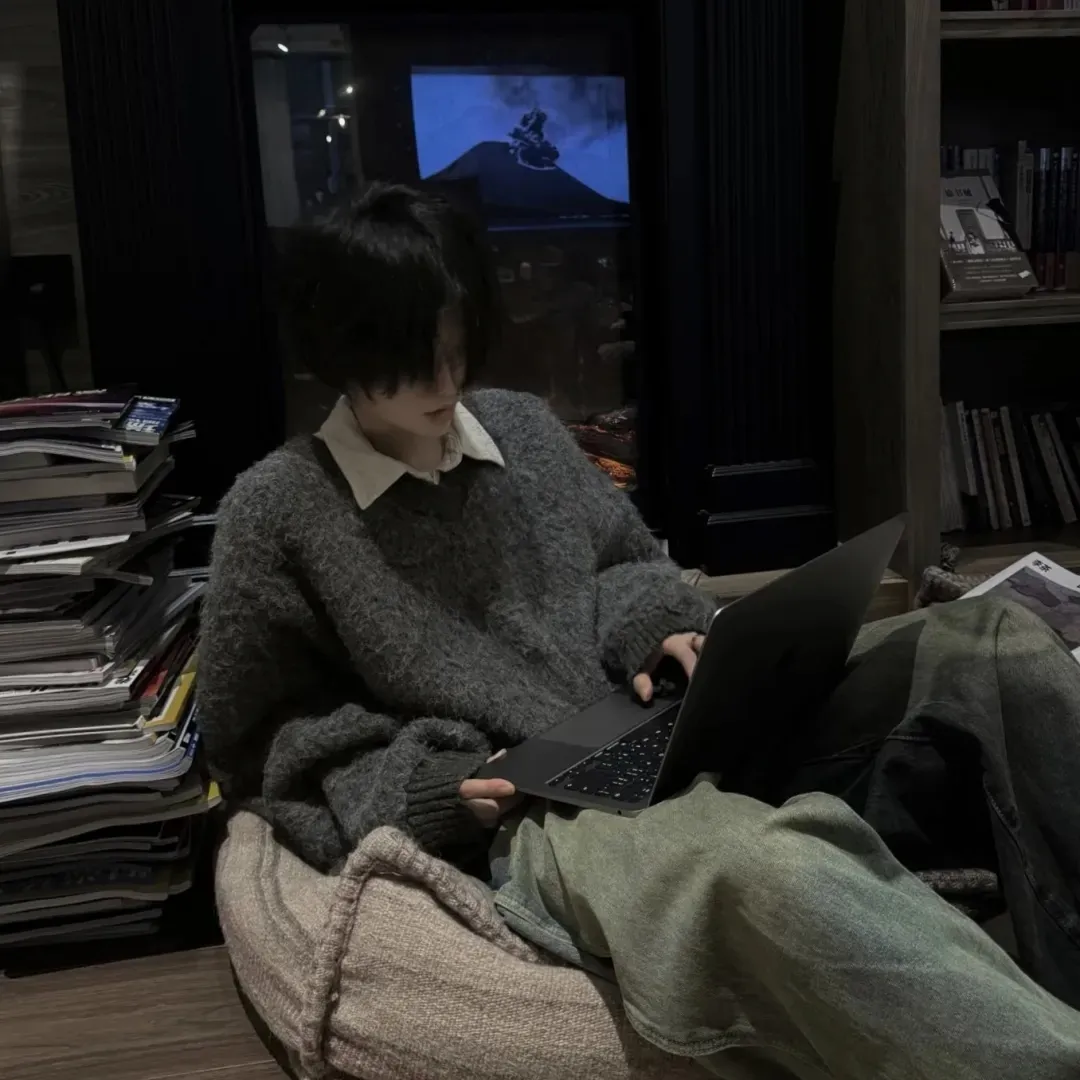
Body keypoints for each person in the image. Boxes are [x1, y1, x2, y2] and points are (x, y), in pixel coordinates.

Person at [198, 182, 1080, 1080]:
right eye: (409, 358)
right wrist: (429, 789)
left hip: (660, 720)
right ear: (339, 350)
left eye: (457, 347)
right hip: (539, 810)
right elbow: (259, 744)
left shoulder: (521, 429)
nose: (445, 382)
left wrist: (659, 630)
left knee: (992, 644)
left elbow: (622, 563)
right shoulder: (280, 511)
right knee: (761, 867)